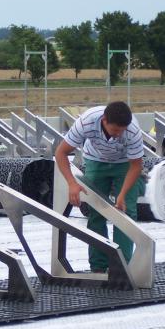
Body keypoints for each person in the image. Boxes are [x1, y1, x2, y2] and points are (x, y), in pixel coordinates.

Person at [55, 101, 143, 273]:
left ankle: (121, 268)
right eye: (115, 130)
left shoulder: (132, 130)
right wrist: (72, 183)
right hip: (95, 160)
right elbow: (61, 152)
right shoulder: (87, 121)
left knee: (124, 213)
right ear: (104, 120)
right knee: (96, 211)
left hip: (124, 164)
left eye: (121, 131)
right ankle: (98, 267)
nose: (118, 135)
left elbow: (136, 166)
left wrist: (122, 194)